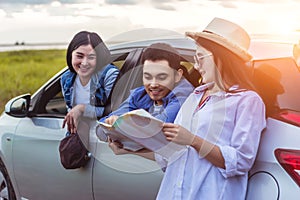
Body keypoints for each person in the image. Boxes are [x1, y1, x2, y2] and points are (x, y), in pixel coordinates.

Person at [109, 18, 266, 199]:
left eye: (200, 58)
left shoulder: (247, 101)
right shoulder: (196, 96)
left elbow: (240, 161)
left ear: (221, 58)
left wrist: (192, 140)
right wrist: (128, 150)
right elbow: (171, 155)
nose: (196, 66)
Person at [97, 42, 194, 142]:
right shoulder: (139, 95)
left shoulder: (184, 95)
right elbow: (100, 129)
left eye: (161, 77)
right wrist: (112, 122)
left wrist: (121, 128)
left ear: (178, 75)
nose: (153, 84)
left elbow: (156, 133)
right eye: (147, 77)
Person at [61, 31, 119, 134]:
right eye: (79, 56)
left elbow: (115, 112)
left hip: (104, 134)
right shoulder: (66, 78)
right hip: (79, 134)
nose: (84, 63)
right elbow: (70, 111)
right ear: (71, 55)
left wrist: (82, 109)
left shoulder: (109, 75)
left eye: (91, 57)